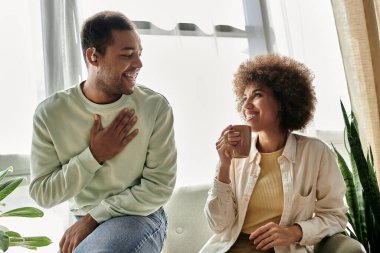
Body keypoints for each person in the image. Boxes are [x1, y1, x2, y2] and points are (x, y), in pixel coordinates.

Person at [29, 11, 177, 253]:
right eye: (128, 55)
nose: (139, 64)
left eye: (139, 54)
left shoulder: (154, 107)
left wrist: (94, 217)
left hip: (141, 216)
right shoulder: (51, 114)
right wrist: (94, 156)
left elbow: (159, 188)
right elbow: (43, 193)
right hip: (85, 223)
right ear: (94, 56)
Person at [200, 54, 365, 253]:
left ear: (282, 101)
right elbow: (219, 225)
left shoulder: (315, 153)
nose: (246, 105)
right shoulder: (234, 156)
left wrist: (294, 232)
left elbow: (335, 216)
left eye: (257, 95)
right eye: (244, 98)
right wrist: (224, 167)